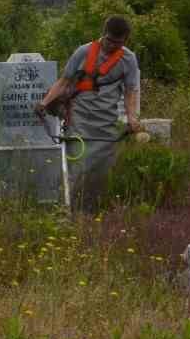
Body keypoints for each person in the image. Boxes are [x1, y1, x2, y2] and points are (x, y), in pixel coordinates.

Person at [35, 15, 143, 210]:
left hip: (106, 125)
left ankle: (94, 213)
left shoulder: (128, 59)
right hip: (79, 121)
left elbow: (130, 91)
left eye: (118, 43)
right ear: (103, 34)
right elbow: (64, 81)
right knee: (78, 170)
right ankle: (71, 211)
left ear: (125, 40)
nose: (113, 46)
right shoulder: (83, 52)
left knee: (101, 173)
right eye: (110, 40)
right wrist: (44, 103)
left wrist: (132, 118)